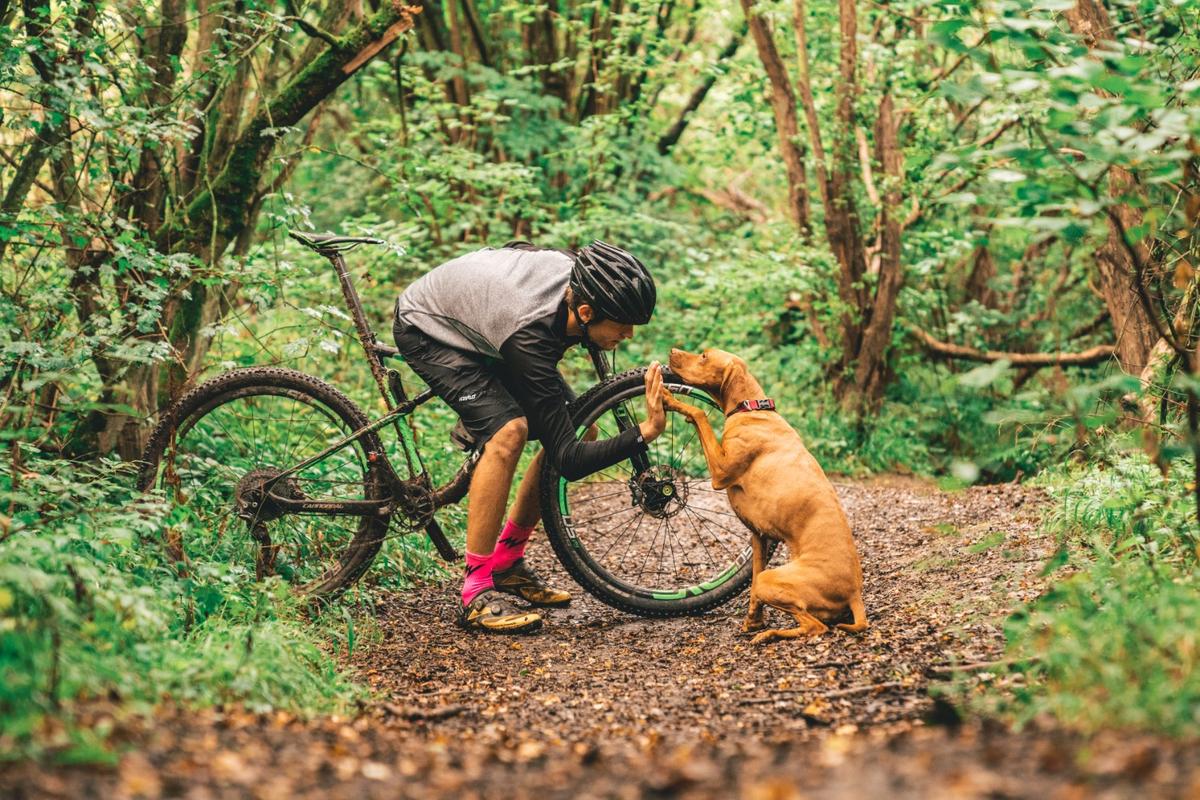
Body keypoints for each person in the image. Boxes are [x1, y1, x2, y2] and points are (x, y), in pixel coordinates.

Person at [393, 240, 666, 634]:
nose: (628, 334)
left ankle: (507, 562)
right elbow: (569, 460)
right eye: (623, 325)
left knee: (580, 425)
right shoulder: (529, 334)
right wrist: (646, 432)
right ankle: (476, 591)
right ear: (586, 312)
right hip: (429, 327)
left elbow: (520, 249)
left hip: (492, 319)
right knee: (509, 432)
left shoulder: (580, 285)